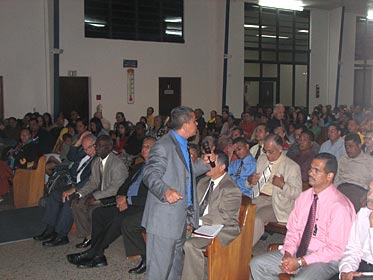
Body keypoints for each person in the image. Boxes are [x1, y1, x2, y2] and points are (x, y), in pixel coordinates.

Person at [250, 153, 356, 280]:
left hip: (325, 259)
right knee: (257, 264)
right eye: (310, 168)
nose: (311, 173)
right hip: (299, 252)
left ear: (329, 176)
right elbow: (293, 231)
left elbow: (335, 249)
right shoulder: (304, 197)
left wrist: (301, 262)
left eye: (316, 170)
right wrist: (288, 253)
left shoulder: (340, 206)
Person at [66, 137, 156, 271]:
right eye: (144, 146)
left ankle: (95, 253)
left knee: (119, 219)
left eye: (149, 147)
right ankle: (97, 253)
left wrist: (127, 199)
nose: (144, 149)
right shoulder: (139, 166)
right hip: (128, 203)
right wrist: (121, 195)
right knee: (99, 213)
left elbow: (153, 195)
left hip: (143, 206)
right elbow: (124, 185)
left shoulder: (158, 169)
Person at [141, 106, 210, 280]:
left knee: (174, 269)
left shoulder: (182, 144)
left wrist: (203, 164)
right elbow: (149, 174)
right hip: (164, 219)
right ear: (185, 124)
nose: (197, 124)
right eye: (194, 121)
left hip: (179, 217)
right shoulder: (164, 145)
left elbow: (184, 174)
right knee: (159, 271)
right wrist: (165, 190)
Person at [181, 150, 242, 280]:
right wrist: (188, 220)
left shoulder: (231, 188)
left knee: (190, 244)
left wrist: (197, 221)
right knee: (170, 233)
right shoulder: (203, 182)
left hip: (221, 228)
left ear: (222, 167)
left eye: (211, 163)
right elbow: (193, 206)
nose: (206, 165)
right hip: (200, 224)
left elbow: (224, 216)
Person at [63, 135, 128, 248]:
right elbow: (92, 182)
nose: (97, 148)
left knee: (93, 208)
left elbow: (115, 188)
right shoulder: (97, 161)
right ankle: (88, 236)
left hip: (114, 197)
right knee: (77, 203)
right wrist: (80, 193)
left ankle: (98, 238)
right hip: (101, 193)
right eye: (96, 145)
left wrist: (95, 196)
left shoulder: (117, 164)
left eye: (100, 146)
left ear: (109, 148)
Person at [33, 133, 96, 246]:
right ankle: (50, 230)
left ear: (95, 145)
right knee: (55, 195)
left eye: (89, 148)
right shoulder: (85, 152)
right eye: (84, 148)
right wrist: (80, 140)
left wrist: (74, 189)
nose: (87, 151)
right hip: (74, 183)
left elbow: (90, 180)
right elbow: (71, 156)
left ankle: (61, 235)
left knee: (69, 199)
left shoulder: (98, 157)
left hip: (87, 188)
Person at [247, 134, 302, 246]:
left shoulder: (291, 166)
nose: (267, 155)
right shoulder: (262, 159)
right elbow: (251, 182)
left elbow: (297, 194)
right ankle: (233, 247)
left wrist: (282, 185)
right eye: (265, 150)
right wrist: (250, 180)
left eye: (270, 152)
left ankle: (244, 251)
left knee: (257, 218)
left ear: (280, 149)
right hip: (258, 197)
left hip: (276, 203)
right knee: (240, 212)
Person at [339, 183, 373, 280]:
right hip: (361, 267)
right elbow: (353, 248)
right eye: (369, 190)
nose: (369, 196)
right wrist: (345, 271)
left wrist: (372, 228)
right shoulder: (363, 214)